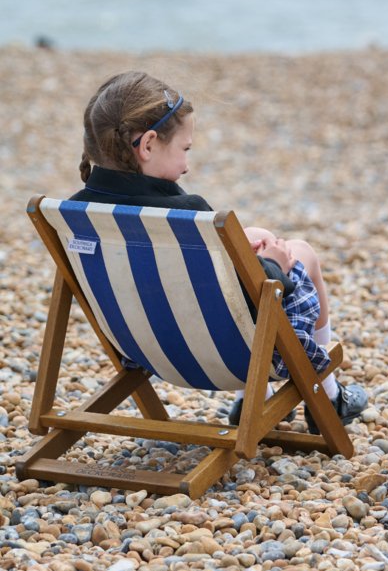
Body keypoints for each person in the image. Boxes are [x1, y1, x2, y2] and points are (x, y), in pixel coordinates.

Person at [71, 70, 368, 432]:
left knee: (252, 235)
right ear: (147, 145)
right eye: (185, 149)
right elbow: (251, 294)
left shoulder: (75, 216)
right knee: (300, 251)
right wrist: (273, 266)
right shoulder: (185, 218)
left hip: (148, 351)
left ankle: (251, 401)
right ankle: (327, 395)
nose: (187, 165)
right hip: (227, 358)